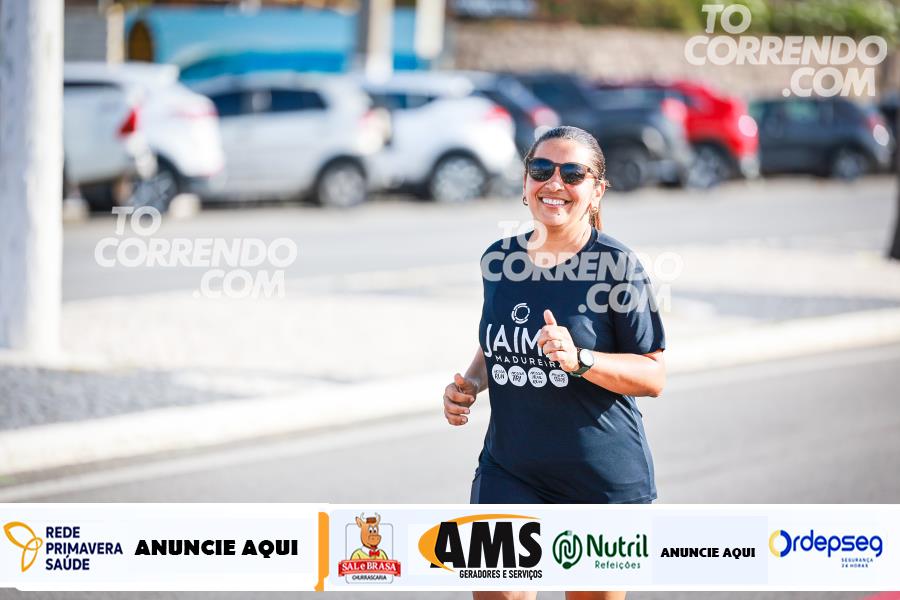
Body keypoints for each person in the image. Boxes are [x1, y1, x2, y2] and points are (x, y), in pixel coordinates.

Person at [442, 126, 667, 600]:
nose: (555, 183)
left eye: (573, 174)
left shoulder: (617, 266)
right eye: (541, 169)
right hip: (509, 468)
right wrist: (471, 383)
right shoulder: (498, 260)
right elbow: (496, 343)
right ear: (526, 183)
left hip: (597, 478)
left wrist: (581, 359)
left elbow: (653, 375)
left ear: (597, 190)